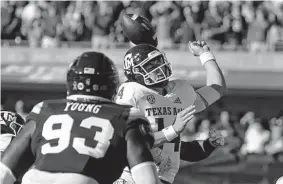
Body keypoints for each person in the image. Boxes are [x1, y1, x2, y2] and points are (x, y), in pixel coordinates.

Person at [0, 51, 161, 184]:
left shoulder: (43, 109)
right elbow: (147, 180)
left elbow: (4, 172)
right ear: (111, 84)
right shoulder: (128, 116)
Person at [114, 41, 226, 184]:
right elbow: (130, 143)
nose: (159, 67)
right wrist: (173, 130)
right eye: (151, 65)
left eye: (159, 61)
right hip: (131, 176)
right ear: (135, 73)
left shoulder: (179, 91)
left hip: (162, 179)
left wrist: (205, 55)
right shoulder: (133, 93)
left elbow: (217, 89)